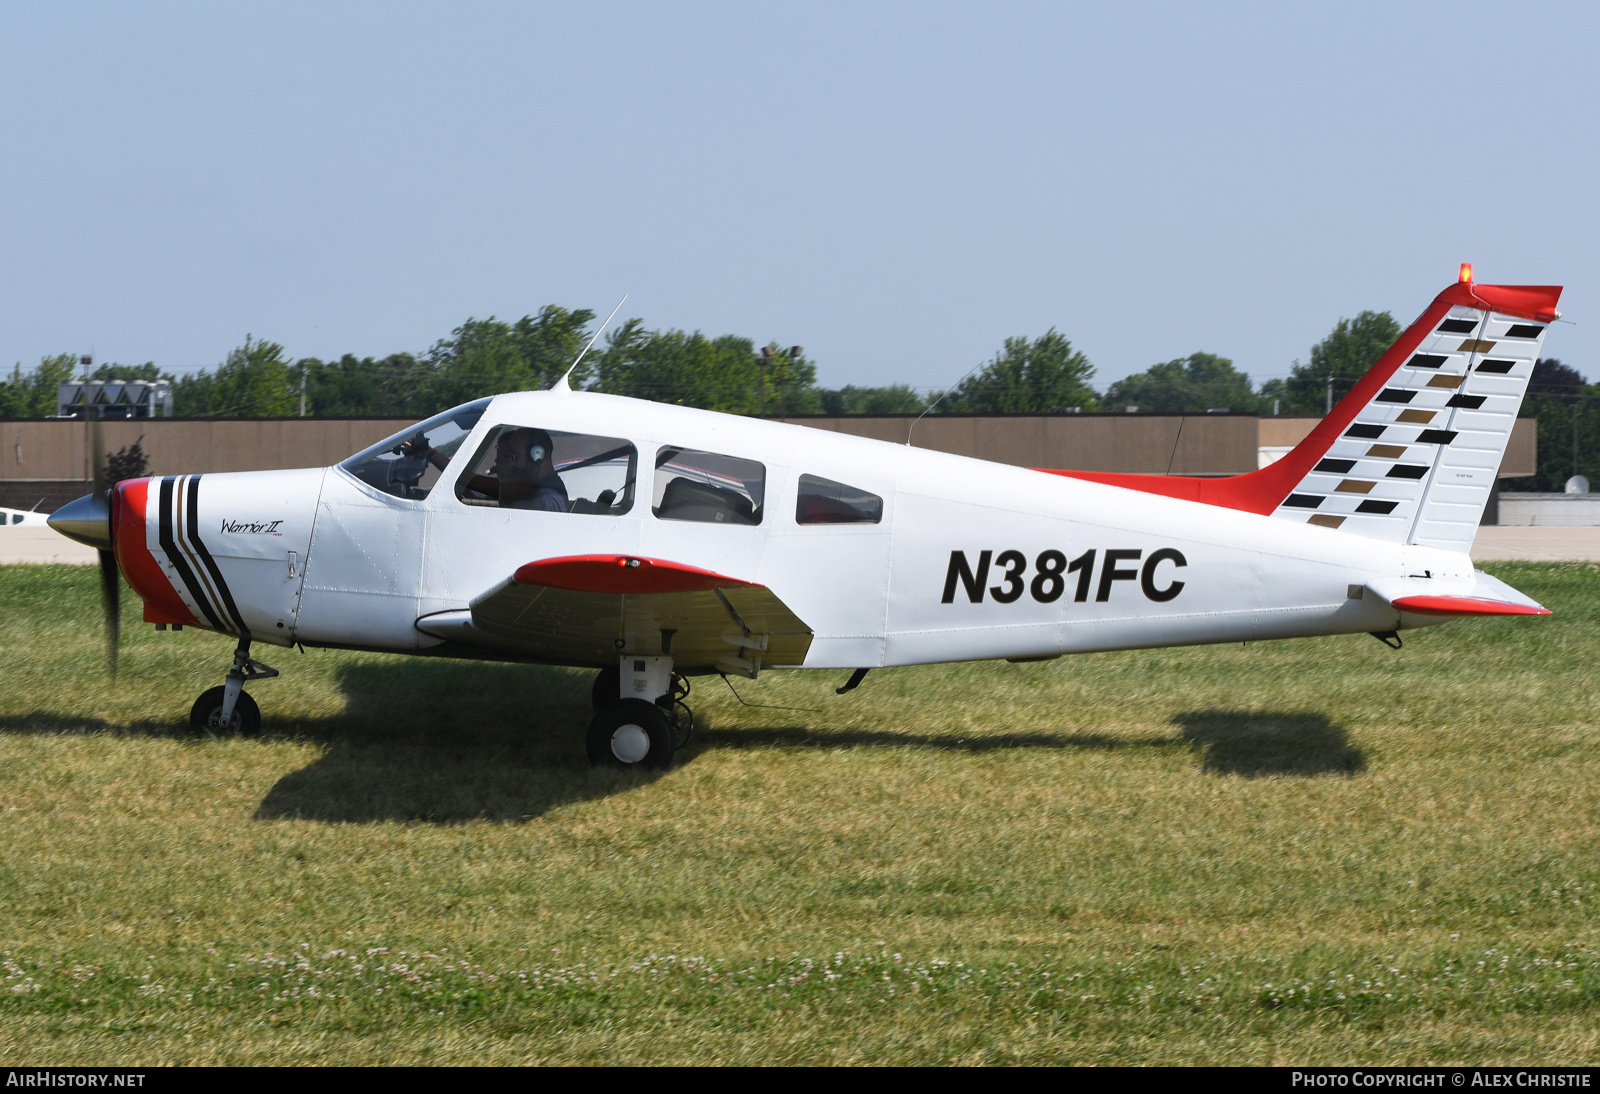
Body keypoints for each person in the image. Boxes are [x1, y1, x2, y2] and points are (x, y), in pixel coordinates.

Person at [406, 426, 569, 511]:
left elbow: (468, 478)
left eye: (514, 455)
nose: (510, 463)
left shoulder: (545, 500)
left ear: (537, 455)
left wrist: (430, 453)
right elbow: (472, 483)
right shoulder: (533, 490)